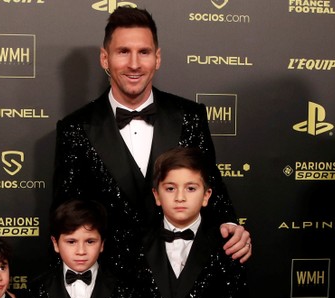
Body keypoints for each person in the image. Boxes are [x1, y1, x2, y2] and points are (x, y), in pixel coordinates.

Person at [51, 6, 252, 279]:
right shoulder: (74, 128)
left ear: (157, 58)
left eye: (144, 52)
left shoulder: (190, 117)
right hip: (109, 285)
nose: (134, 64)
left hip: (178, 283)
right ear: (104, 58)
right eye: (123, 52)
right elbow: (65, 215)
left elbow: (212, 188)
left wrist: (231, 224)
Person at [134, 146, 250, 298]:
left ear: (206, 196)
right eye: (170, 188)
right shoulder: (135, 246)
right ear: (156, 195)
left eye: (190, 188)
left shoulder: (227, 246)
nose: (180, 197)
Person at [23, 199, 134, 298]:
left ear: (102, 244)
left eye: (90, 241)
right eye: (71, 242)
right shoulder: (36, 290)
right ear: (55, 243)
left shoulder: (124, 289)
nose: (80, 251)